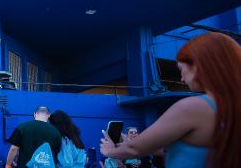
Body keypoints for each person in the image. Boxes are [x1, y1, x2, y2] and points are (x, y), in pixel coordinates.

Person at [100, 32, 241, 168]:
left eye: (181, 69)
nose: (181, 78)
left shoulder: (194, 107)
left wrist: (110, 150)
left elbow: (134, 149)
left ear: (198, 67)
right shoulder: (230, 107)